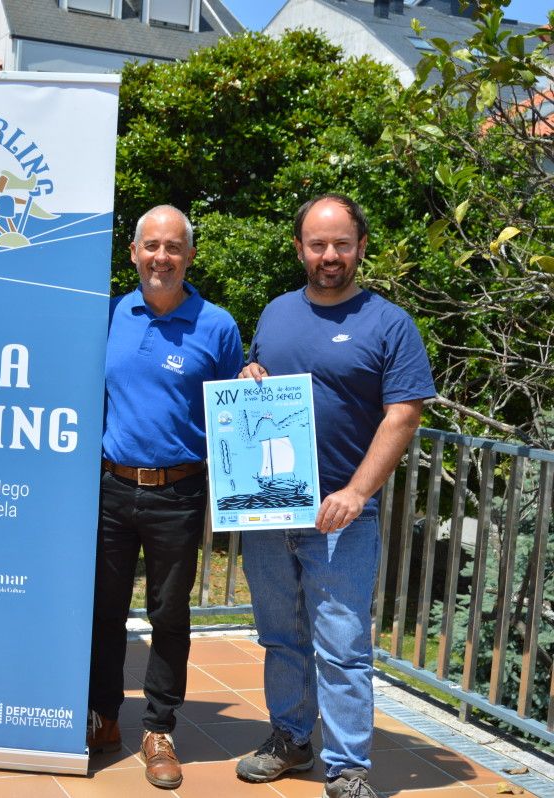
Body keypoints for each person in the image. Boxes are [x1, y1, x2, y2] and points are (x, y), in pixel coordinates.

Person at [234, 194, 434, 798]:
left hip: (343, 515)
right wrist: (250, 377)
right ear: (300, 249)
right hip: (269, 509)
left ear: (360, 248)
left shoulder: (388, 323)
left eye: (341, 244)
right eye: (317, 244)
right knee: (279, 634)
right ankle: (291, 739)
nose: (329, 255)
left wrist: (355, 491)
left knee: (343, 646)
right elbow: (260, 385)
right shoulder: (274, 313)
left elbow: (404, 414)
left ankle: (348, 767)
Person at [87, 205, 243, 789]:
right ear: (133, 253)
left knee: (169, 616)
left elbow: (233, 410)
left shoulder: (218, 326)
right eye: (150, 245)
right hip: (109, 486)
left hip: (179, 491)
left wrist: (251, 381)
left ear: (190, 256)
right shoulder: (108, 316)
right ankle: (103, 715)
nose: (161, 257)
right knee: (103, 610)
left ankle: (158, 727)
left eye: (173, 247)